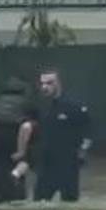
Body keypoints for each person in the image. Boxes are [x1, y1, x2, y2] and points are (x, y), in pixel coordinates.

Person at [34, 67, 92, 202]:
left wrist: (83, 150)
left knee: (69, 203)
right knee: (40, 202)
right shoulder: (40, 107)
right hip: (46, 164)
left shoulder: (73, 106)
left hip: (68, 163)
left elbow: (88, 129)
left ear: (58, 83)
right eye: (42, 83)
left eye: (49, 83)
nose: (45, 87)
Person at [0, 77, 38, 203]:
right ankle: (15, 175)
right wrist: (21, 151)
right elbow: (26, 127)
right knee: (30, 156)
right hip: (9, 134)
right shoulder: (27, 103)